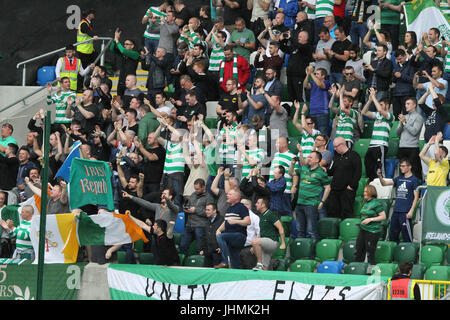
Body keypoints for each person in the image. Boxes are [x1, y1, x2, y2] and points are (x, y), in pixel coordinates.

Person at [377, 158, 420, 243]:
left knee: (407, 237)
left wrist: (411, 211)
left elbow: (416, 197)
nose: (401, 168)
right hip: (396, 211)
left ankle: (408, 254)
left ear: (409, 167)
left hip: (405, 212)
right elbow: (384, 183)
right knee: (392, 236)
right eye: (400, 166)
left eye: (403, 166)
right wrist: (379, 176)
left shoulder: (414, 180)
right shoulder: (399, 178)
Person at [292, 150, 331, 240]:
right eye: (308, 157)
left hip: (311, 204)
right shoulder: (304, 168)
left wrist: (322, 201)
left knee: (311, 230)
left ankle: (313, 252)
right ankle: (301, 251)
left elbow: (328, 188)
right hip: (300, 203)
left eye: (310, 157)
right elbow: (292, 173)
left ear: (317, 160)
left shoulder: (321, 172)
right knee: (300, 230)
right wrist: (292, 164)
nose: (308, 158)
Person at [361, 88, 395, 182]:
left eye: (381, 104)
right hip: (372, 145)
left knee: (381, 168)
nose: (379, 106)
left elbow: (380, 110)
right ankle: (371, 185)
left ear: (387, 106)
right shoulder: (377, 115)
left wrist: (374, 97)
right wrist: (370, 100)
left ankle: (383, 187)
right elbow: (363, 112)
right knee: (368, 167)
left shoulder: (390, 116)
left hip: (381, 145)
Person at [327, 137, 362, 219]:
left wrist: (352, 186)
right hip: (335, 189)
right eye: (334, 147)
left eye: (336, 147)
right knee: (333, 212)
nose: (335, 149)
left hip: (346, 190)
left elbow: (358, 172)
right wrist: (325, 170)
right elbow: (331, 171)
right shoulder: (335, 157)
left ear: (343, 144)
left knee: (346, 212)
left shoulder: (354, 155)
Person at [215, 189, 251, 269]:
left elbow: (248, 221)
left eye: (230, 194)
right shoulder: (229, 208)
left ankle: (224, 262)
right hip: (231, 237)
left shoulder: (241, 207)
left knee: (221, 237)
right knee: (234, 261)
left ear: (236, 197)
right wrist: (219, 229)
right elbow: (226, 222)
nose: (227, 195)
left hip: (239, 236)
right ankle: (237, 277)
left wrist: (235, 221)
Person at [354, 185, 386, 266]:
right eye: (364, 191)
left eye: (366, 191)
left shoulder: (376, 203)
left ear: (371, 192)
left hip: (372, 231)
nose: (364, 193)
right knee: (358, 250)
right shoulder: (365, 202)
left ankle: (370, 272)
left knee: (370, 253)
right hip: (363, 229)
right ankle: (358, 270)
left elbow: (383, 216)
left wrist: (370, 219)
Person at [251, 197, 286, 271]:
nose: (255, 204)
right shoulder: (261, 216)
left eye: (258, 203)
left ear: (263, 205)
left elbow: (281, 228)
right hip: (265, 243)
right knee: (265, 268)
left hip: (272, 241)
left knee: (255, 241)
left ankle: (259, 264)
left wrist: (283, 243)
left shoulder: (270, 214)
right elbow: (261, 232)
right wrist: (254, 245)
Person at [279, 30, 313, 103]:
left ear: (306, 38)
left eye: (300, 37)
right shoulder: (295, 46)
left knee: (299, 97)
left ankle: (302, 113)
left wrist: (291, 38)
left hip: (299, 76)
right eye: (298, 37)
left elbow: (300, 47)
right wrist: (282, 40)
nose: (298, 38)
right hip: (290, 75)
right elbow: (284, 49)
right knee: (291, 98)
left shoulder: (307, 47)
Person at [180, 179, 211, 256]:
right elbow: (188, 205)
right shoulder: (193, 195)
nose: (195, 190)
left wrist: (195, 210)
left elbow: (209, 213)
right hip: (189, 224)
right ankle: (184, 264)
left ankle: (198, 265)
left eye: (197, 189)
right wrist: (186, 208)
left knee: (199, 248)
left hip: (200, 225)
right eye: (195, 188)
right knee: (183, 245)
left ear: (203, 187)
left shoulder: (209, 198)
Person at [269, 137, 300, 216]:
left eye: (277, 143)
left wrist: (294, 186)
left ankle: (287, 228)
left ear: (284, 144)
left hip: (285, 190)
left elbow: (295, 173)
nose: (275, 145)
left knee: (286, 212)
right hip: (273, 190)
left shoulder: (292, 156)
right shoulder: (276, 154)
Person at [109, 28, 141, 98]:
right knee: (118, 99)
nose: (125, 45)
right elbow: (112, 49)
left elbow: (123, 51)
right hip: (121, 80)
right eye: (124, 44)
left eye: (127, 44)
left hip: (130, 81)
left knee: (128, 101)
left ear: (132, 46)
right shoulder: (124, 53)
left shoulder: (135, 54)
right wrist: (115, 39)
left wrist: (117, 41)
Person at [303, 66, 331, 135]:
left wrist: (311, 73)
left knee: (322, 135)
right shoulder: (313, 83)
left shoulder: (326, 82)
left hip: (322, 113)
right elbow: (305, 85)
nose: (315, 75)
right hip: (312, 112)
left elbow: (320, 84)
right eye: (315, 73)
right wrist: (308, 74)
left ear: (323, 76)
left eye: (317, 74)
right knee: (313, 134)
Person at [392, 49, 417, 118]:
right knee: (396, 115)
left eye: (400, 58)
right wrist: (394, 76)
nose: (399, 61)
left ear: (405, 56)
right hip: (397, 93)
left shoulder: (411, 65)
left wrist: (401, 76)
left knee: (407, 115)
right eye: (397, 59)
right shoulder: (397, 66)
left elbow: (413, 79)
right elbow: (393, 81)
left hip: (407, 93)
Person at [200, 202, 225, 267]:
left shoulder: (222, 220)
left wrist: (222, 247)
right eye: (206, 210)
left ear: (214, 210)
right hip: (207, 252)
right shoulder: (207, 221)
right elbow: (204, 236)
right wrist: (203, 249)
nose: (206, 212)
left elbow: (225, 234)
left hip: (218, 252)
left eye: (208, 210)